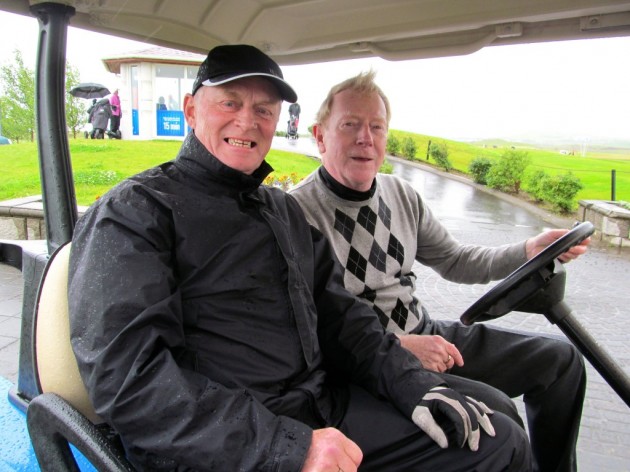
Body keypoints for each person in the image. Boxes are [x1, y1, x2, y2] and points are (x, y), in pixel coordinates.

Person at [68, 45, 532, 471]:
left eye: (263, 110)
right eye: (230, 103)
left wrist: (410, 383)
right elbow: (128, 380)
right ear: (191, 110)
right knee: (496, 445)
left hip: (317, 408)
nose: (247, 121)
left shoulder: (282, 210)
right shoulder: (136, 211)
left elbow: (342, 319)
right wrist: (286, 447)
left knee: (493, 435)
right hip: (221, 447)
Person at [289, 71, 588, 472]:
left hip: (428, 334)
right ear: (320, 136)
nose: (365, 138)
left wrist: (528, 250)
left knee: (560, 361)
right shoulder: (295, 214)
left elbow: (455, 260)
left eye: (377, 127)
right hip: (370, 364)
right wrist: (397, 346)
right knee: (497, 414)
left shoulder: (401, 194)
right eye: (350, 125)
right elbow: (306, 328)